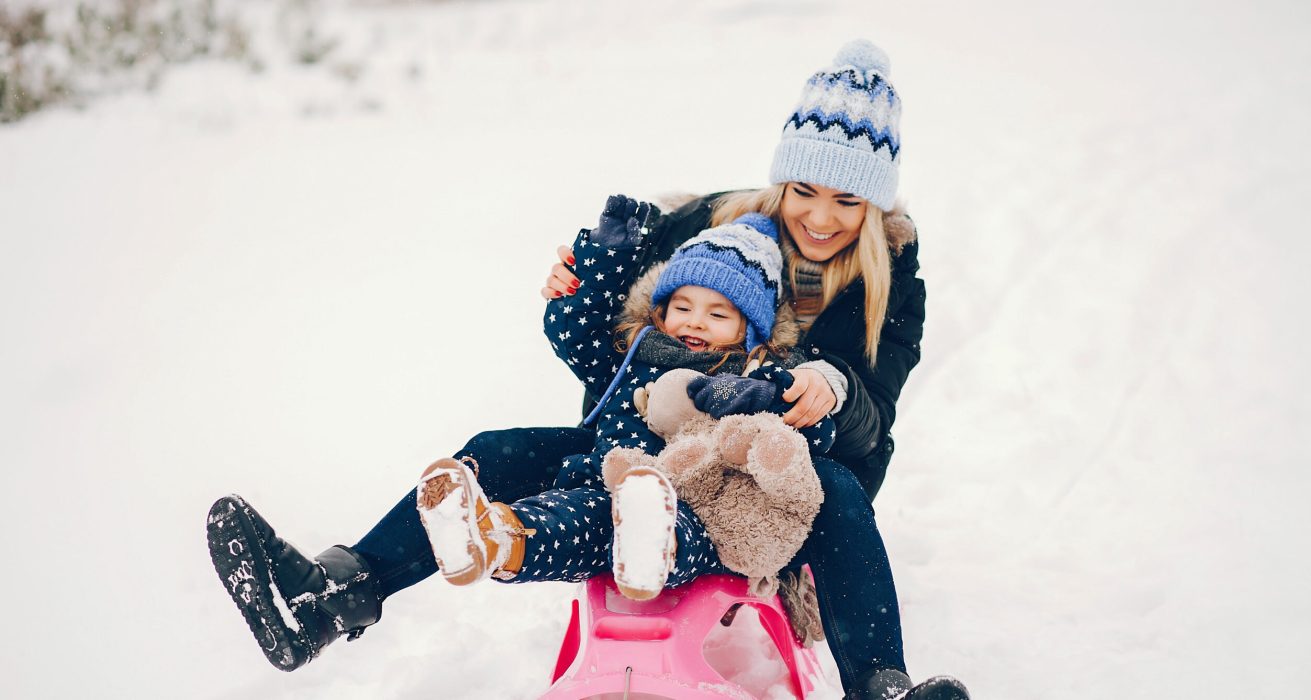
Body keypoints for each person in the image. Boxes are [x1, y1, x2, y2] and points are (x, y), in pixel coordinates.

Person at [205, 39, 969, 700]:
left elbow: (876, 412)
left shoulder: (890, 280)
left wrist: (830, 388)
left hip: (775, 480)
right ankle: (335, 595)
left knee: (832, 487)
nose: (822, 216)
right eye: (804, 190)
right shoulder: (718, 224)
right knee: (498, 448)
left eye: (847, 200)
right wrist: (577, 275)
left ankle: (880, 684)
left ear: (874, 206)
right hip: (640, 443)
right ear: (780, 182)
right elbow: (616, 312)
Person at [413, 202, 835, 602]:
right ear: (661, 309)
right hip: (609, 489)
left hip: (699, 509)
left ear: (752, 330)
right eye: (682, 306)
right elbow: (573, 333)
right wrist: (603, 254)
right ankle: (491, 538)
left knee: (672, 527)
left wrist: (753, 396)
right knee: (568, 519)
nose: (695, 320)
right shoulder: (635, 356)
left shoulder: (755, 372)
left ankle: (651, 548)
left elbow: (811, 429)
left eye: (718, 314)